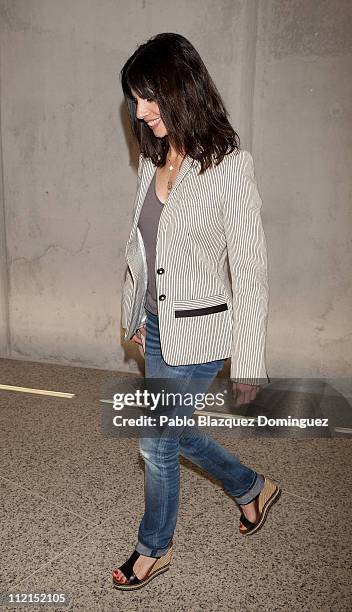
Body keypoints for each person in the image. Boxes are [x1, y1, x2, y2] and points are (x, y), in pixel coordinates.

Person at [113, 33, 281, 591]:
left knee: (154, 439)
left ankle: (151, 548)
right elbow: (143, 244)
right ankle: (251, 488)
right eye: (134, 100)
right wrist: (138, 310)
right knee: (175, 432)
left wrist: (250, 360)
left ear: (181, 88)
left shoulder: (230, 165)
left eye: (148, 97)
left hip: (204, 332)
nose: (140, 111)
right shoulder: (154, 157)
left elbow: (251, 268)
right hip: (158, 327)